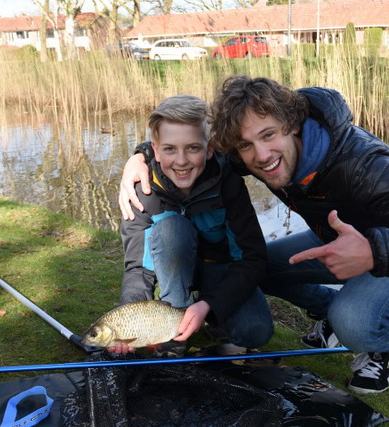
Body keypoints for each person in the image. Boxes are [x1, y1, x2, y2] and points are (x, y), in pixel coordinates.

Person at [119, 76, 389, 394]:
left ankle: (380, 344)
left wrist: (373, 251)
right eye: (246, 145)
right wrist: (141, 156)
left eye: (268, 135)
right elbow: (187, 141)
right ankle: (328, 316)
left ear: (292, 125)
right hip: (336, 238)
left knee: (354, 320)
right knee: (265, 267)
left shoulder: (362, 163)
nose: (261, 155)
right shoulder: (251, 149)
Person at [112, 94, 273, 356]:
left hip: (217, 270)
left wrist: (211, 304)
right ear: (154, 149)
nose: (182, 161)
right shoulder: (141, 189)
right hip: (172, 272)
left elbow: (252, 258)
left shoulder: (228, 183)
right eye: (170, 149)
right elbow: (138, 268)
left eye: (193, 148)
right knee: (171, 229)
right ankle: (176, 333)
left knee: (255, 331)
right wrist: (126, 324)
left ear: (209, 148)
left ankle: (208, 317)